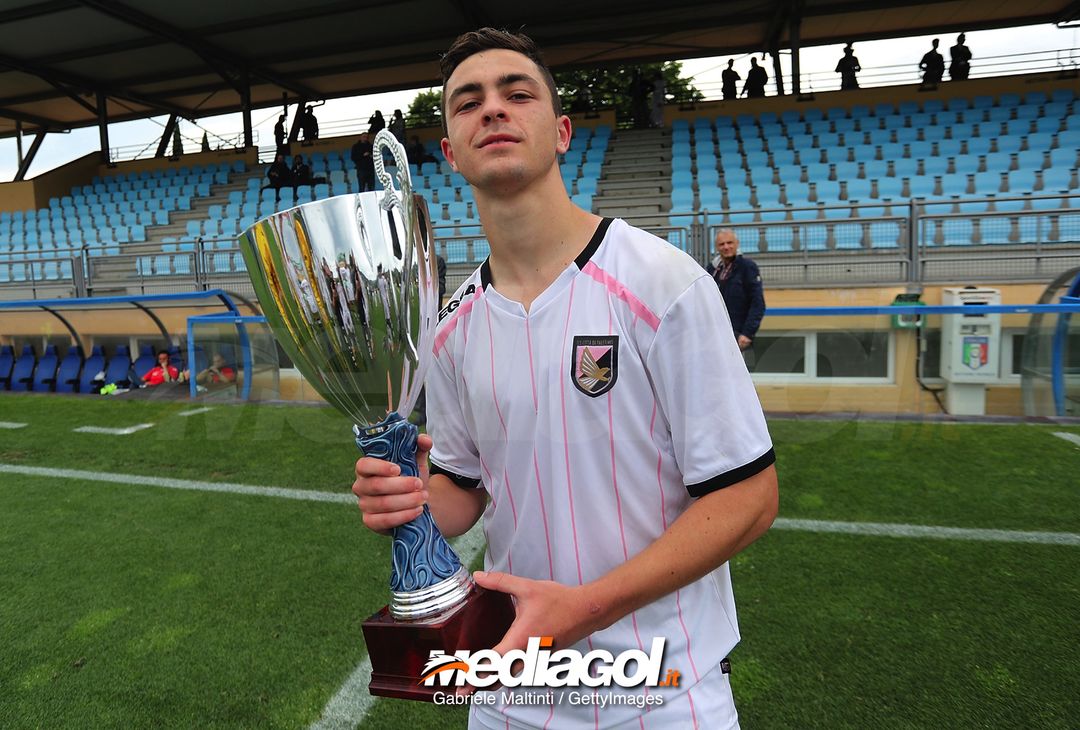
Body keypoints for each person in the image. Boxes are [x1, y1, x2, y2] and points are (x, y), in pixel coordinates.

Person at [352, 27, 777, 729]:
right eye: (468, 102)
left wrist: (588, 607)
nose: (493, 109)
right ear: (451, 153)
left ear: (562, 132)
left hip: (659, 689)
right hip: (507, 690)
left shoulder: (664, 283)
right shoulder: (451, 323)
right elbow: (463, 487)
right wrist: (406, 500)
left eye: (517, 94)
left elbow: (749, 497)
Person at [706, 228, 765, 352]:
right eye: (722, 244)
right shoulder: (712, 270)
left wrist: (748, 333)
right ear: (717, 247)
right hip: (716, 334)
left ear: (737, 243)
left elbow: (757, 303)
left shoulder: (747, 267)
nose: (726, 247)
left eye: (730, 243)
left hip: (738, 336)